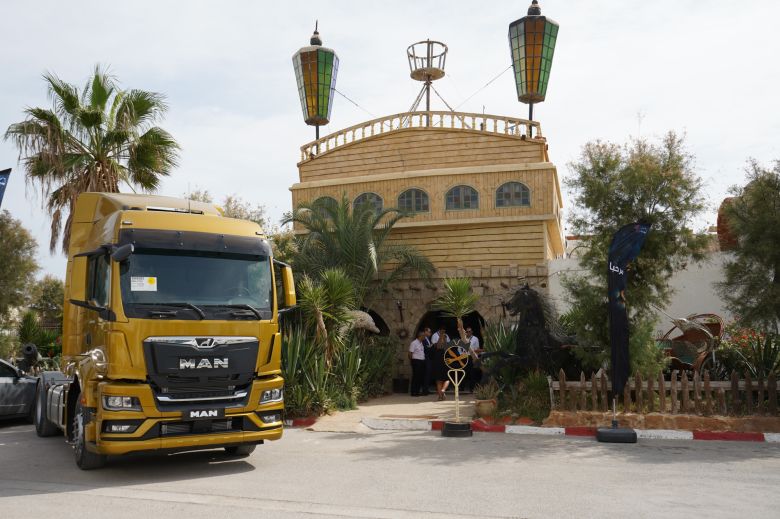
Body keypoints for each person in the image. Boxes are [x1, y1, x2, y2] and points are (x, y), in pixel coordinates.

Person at [432, 325, 451, 400]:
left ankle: (440, 396)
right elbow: (439, 346)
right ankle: (443, 390)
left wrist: (443, 337)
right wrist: (442, 337)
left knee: (439, 380)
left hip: (439, 361)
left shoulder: (445, 337)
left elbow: (441, 345)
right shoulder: (436, 336)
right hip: (443, 360)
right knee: (447, 378)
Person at [408, 330, 426, 396]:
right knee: (416, 377)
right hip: (416, 361)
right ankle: (413, 392)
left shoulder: (421, 343)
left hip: (421, 361)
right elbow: (410, 353)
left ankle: (417, 391)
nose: (425, 337)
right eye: (424, 336)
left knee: (420, 377)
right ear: (420, 336)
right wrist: (412, 361)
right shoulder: (414, 343)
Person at [465, 326, 483, 392]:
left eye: (469, 331)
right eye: (467, 331)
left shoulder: (475, 339)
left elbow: (477, 349)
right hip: (464, 357)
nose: (468, 333)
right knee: (464, 372)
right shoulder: (463, 339)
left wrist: (475, 357)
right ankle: (461, 387)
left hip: (471, 357)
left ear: (472, 332)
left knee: (472, 373)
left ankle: (471, 389)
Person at [422, 327, 433, 395]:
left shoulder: (428, 339)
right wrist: (430, 346)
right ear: (425, 332)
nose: (430, 333)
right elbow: (425, 348)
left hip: (429, 358)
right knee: (425, 374)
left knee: (428, 374)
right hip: (425, 358)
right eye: (429, 332)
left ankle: (426, 389)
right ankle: (424, 390)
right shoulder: (423, 339)